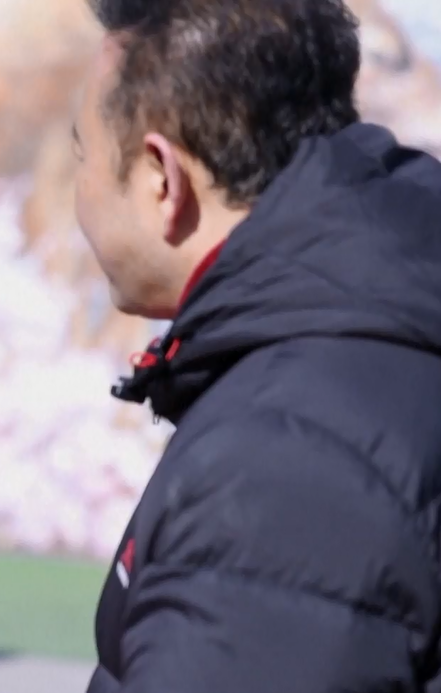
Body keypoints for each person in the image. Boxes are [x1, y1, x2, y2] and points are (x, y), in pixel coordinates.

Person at [73, 0, 441, 691]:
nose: (79, 187)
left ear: (162, 179)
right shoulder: (370, 325)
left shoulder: (284, 463)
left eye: (81, 151)